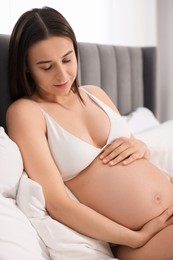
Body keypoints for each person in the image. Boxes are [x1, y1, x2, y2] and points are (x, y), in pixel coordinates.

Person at [6, 6, 173, 259]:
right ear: (27, 67)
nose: (62, 74)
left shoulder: (95, 94)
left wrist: (142, 147)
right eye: (46, 66)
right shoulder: (26, 112)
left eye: (67, 59)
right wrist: (136, 237)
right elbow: (57, 203)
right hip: (136, 239)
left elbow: (132, 152)